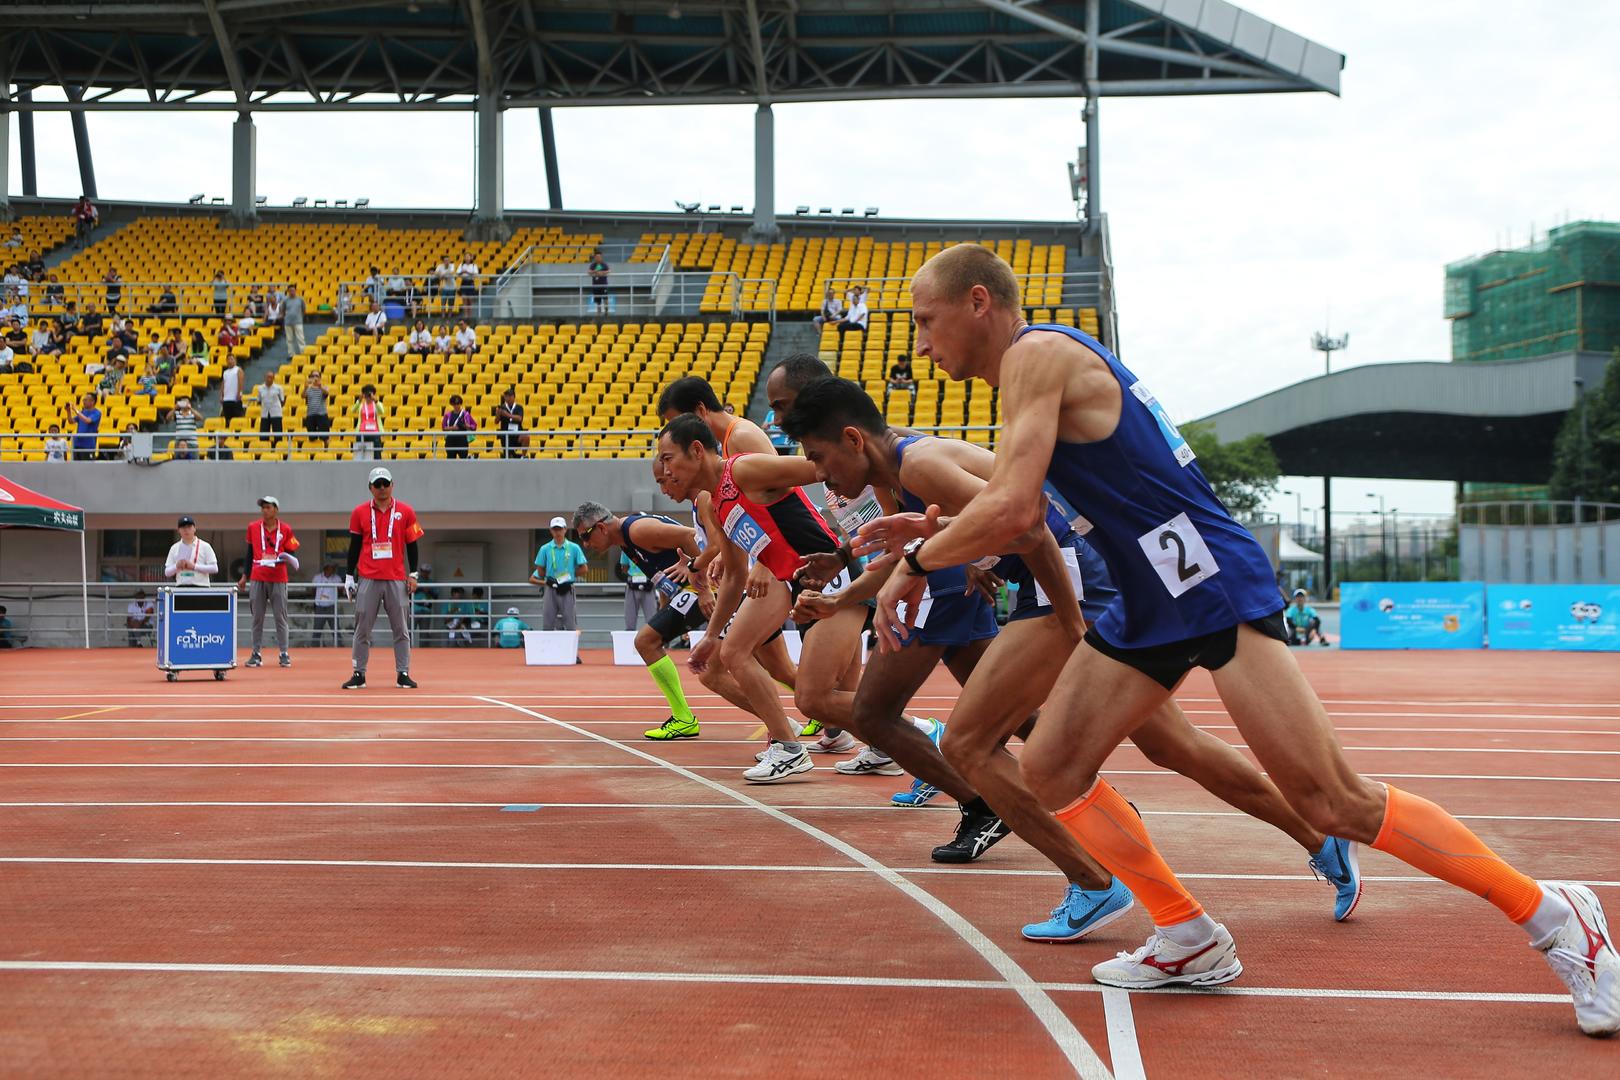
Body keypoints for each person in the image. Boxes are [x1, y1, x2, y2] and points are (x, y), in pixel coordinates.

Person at [867, 242, 1620, 1032]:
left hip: (1208, 582)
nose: (920, 342)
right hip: (1150, 592)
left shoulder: (1037, 355)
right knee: (1050, 767)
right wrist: (942, 532)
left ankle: (1556, 915)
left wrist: (917, 560)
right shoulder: (1035, 369)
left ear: (979, 302)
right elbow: (1029, 500)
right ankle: (1187, 936)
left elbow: (1017, 510)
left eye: (926, 320)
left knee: (1333, 799)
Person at [657, 415, 861, 783]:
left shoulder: (743, 470)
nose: (664, 470)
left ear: (697, 451)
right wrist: (710, 636)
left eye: (668, 458)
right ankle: (789, 747)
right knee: (733, 651)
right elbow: (734, 575)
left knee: (816, 698)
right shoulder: (717, 504)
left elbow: (818, 468)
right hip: (794, 582)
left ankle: (922, 731)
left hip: (832, 577)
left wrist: (870, 498)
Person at [574, 500, 706, 740]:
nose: (585, 544)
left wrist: (703, 584)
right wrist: (667, 605)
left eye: (585, 536)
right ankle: (793, 715)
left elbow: (690, 536)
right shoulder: (625, 542)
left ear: (602, 528)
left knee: (647, 642)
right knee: (751, 661)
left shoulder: (637, 530)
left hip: (708, 588)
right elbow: (665, 571)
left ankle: (684, 718)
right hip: (691, 590)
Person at [343, 466, 423, 689]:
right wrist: (349, 576)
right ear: (370, 488)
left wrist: (413, 574)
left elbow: (412, 545)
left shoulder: (405, 511)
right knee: (362, 629)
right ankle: (359, 673)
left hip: (396, 578)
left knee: (401, 629)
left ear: (392, 485)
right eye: (377, 484)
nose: (382, 488)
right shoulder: (359, 512)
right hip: (368, 577)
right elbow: (354, 546)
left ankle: (403, 673)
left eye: (385, 484)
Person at [237, 495, 300, 668]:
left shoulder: (286, 529)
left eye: (268, 507)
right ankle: (256, 654)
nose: (265, 510)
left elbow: (292, 553)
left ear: (276, 510)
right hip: (257, 576)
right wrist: (244, 576)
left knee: (281, 616)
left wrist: (287, 559)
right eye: (263, 507)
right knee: (257, 617)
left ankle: (284, 653)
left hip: (278, 577)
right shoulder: (253, 527)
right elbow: (249, 553)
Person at [531, 517, 588, 632]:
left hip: (567, 587)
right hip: (550, 587)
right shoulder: (545, 549)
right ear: (551, 531)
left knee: (570, 621)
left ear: (565, 529)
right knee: (548, 621)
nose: (557, 532)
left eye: (560, 529)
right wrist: (549, 579)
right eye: (555, 529)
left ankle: (571, 649)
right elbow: (540, 569)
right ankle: (548, 648)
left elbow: (584, 568)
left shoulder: (573, 547)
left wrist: (570, 575)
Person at [164, 516, 219, 587]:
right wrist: (177, 566)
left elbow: (214, 568)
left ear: (194, 529)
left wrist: (194, 567)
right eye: (183, 528)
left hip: (201, 586)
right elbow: (167, 572)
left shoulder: (205, 546)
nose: (186, 530)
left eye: (189, 527)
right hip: (181, 586)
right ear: (178, 530)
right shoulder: (174, 548)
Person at [617, 547, 658, 630]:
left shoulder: (626, 547)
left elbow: (624, 568)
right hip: (639, 581)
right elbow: (624, 567)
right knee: (649, 617)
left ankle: (651, 633)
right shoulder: (626, 547)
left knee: (633, 617)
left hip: (645, 581)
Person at [310, 562, 343, 646]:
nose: (333, 569)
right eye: (331, 567)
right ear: (326, 568)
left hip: (332, 607)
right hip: (320, 607)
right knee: (317, 629)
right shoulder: (317, 578)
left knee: (335, 629)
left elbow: (340, 591)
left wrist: (333, 599)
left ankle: (340, 647)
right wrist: (316, 600)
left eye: (333, 568)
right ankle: (314, 648)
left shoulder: (337, 578)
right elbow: (313, 590)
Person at [248, 371, 286, 441]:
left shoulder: (279, 388)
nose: (269, 379)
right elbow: (259, 400)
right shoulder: (260, 388)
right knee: (263, 435)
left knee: (278, 434)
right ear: (264, 378)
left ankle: (277, 448)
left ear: (273, 378)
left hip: (276, 413)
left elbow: (282, 401)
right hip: (265, 413)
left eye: (271, 377)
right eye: (267, 377)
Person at [352, 383, 385, 460]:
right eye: (366, 395)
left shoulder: (377, 404)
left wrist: (375, 400)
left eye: (370, 395)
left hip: (375, 433)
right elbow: (353, 410)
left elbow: (382, 411)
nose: (368, 397)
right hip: (362, 432)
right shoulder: (361, 405)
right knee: (361, 455)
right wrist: (359, 401)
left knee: (377, 454)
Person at [441, 394, 477, 459]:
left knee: (463, 460)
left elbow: (474, 426)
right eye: (454, 403)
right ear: (452, 404)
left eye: (458, 403)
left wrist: (467, 426)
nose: (456, 405)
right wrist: (453, 428)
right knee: (450, 460)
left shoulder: (466, 414)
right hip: (450, 440)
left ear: (461, 403)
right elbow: (443, 427)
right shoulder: (447, 415)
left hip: (462, 440)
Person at [68, 393, 101, 461]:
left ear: (92, 401)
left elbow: (88, 420)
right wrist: (68, 411)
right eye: (83, 400)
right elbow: (71, 421)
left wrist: (76, 410)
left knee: (87, 468)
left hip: (88, 445)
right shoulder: (83, 412)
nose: (83, 402)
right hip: (77, 444)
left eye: (85, 400)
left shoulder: (97, 412)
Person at [494, 388, 526, 458]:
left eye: (510, 396)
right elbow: (496, 421)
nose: (508, 398)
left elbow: (520, 418)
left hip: (517, 433)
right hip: (506, 434)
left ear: (514, 397)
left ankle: (524, 456)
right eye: (506, 396)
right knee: (508, 456)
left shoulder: (519, 407)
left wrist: (507, 415)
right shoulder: (502, 407)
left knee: (526, 437)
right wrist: (498, 414)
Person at [304, 369, 330, 443]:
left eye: (317, 376)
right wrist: (305, 387)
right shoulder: (308, 388)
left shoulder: (324, 387)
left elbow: (326, 393)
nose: (315, 378)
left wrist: (320, 386)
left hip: (322, 415)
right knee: (312, 438)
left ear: (320, 378)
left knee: (325, 437)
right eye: (313, 376)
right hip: (310, 415)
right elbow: (303, 396)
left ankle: (326, 452)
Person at [283, 285, 307, 355]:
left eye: (293, 290)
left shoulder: (300, 299)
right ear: (288, 291)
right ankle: (291, 354)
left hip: (298, 322)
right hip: (288, 322)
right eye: (290, 291)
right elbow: (282, 310)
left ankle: (303, 353)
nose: (292, 292)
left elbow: (304, 309)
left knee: (301, 338)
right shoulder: (285, 300)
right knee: (289, 339)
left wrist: (301, 317)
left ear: (295, 291)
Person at [588, 249, 610, 314]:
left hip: (603, 285)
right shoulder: (593, 265)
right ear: (595, 257)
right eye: (597, 257)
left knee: (605, 299)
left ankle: (606, 310)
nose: (598, 258)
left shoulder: (604, 264)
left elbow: (609, 271)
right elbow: (589, 272)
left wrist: (602, 273)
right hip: (596, 285)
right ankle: (598, 312)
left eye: (599, 257)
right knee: (598, 301)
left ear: (601, 257)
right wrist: (595, 272)